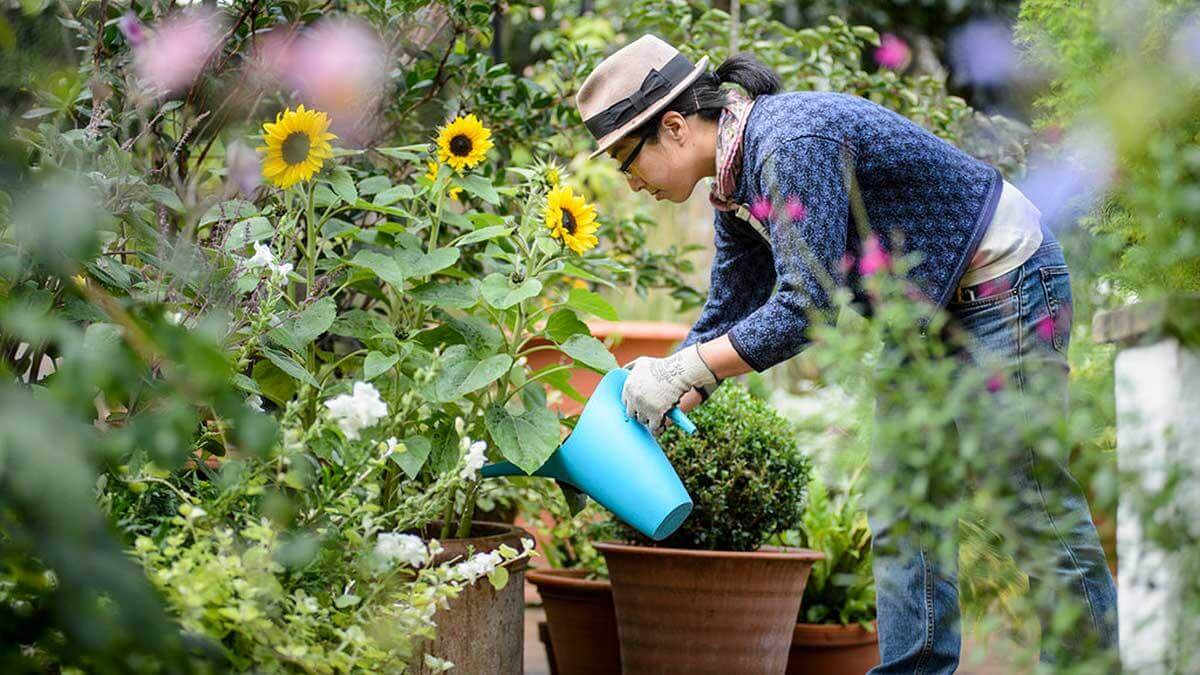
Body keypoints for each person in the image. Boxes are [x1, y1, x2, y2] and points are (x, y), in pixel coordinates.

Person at [573, 34, 1118, 672]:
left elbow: (809, 306)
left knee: (1027, 491)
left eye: (624, 160)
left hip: (1004, 280)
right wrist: (666, 382)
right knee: (901, 503)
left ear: (671, 127)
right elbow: (732, 307)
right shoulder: (733, 185)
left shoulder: (789, 144)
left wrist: (688, 368)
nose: (629, 182)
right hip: (924, 309)